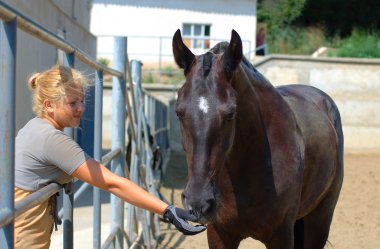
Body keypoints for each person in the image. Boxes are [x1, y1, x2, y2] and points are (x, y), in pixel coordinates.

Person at [14, 65, 206, 248]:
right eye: (72, 103)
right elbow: (112, 183)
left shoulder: (34, 127)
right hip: (24, 235)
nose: (81, 108)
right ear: (49, 105)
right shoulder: (52, 140)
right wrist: (168, 211)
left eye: (82, 100)